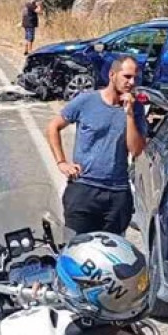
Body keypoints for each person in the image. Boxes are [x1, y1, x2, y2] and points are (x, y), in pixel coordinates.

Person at [45, 56, 148, 236]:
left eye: (135, 78)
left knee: (111, 250)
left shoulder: (136, 109)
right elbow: (53, 127)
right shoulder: (86, 101)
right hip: (84, 188)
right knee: (77, 247)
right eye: (127, 76)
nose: (131, 83)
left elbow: (136, 150)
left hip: (117, 193)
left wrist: (130, 114)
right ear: (112, 75)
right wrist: (62, 163)